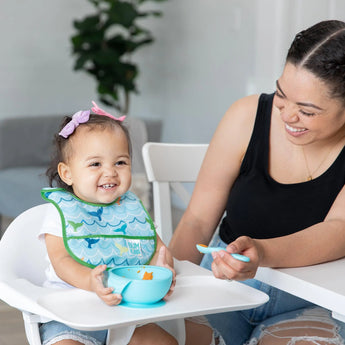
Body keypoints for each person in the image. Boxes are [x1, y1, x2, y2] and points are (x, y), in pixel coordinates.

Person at [170, 20, 345, 345]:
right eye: (281, 95)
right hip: (220, 286)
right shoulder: (246, 115)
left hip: (309, 300)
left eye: (307, 111)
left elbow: (339, 229)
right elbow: (196, 219)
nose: (287, 115)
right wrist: (169, 280)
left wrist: (262, 252)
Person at [38, 102, 177, 345]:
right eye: (95, 164)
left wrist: (163, 270)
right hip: (71, 316)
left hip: (126, 314)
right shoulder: (61, 212)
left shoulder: (130, 209)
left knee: (165, 342)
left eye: (120, 162)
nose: (110, 172)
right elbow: (61, 261)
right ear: (67, 173)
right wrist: (89, 281)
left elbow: (155, 248)